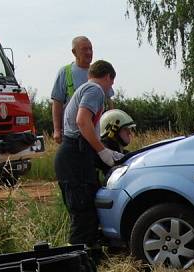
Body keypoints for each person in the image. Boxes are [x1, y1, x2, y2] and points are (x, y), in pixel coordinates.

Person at [54, 60, 120, 257]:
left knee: (86, 212)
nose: (110, 88)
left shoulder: (84, 88)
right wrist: (102, 151)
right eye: (112, 83)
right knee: (82, 213)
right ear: (108, 76)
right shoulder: (95, 90)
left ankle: (87, 257)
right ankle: (77, 262)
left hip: (75, 155)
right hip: (75, 156)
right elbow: (82, 121)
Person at [51, 36, 94, 144]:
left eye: (90, 48)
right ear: (74, 52)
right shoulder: (65, 72)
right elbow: (57, 103)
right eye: (84, 49)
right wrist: (57, 130)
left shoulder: (97, 71)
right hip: (72, 135)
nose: (89, 52)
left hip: (96, 133)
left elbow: (108, 100)